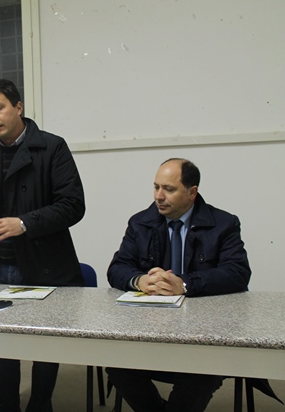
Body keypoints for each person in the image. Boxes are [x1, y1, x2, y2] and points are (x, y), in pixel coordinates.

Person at [0, 79, 85, 412]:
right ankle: (7, 405)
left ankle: (41, 403)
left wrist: (24, 223)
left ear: (18, 107)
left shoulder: (52, 146)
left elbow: (73, 205)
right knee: (0, 345)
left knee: (44, 342)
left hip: (43, 263)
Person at [106, 158, 252, 412]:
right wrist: (140, 280)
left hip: (205, 333)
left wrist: (184, 284)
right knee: (117, 363)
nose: (159, 196)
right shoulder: (140, 223)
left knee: (203, 371)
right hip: (149, 330)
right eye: (156, 187)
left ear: (192, 192)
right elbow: (117, 268)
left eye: (169, 189)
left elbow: (237, 273)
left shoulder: (224, 224)